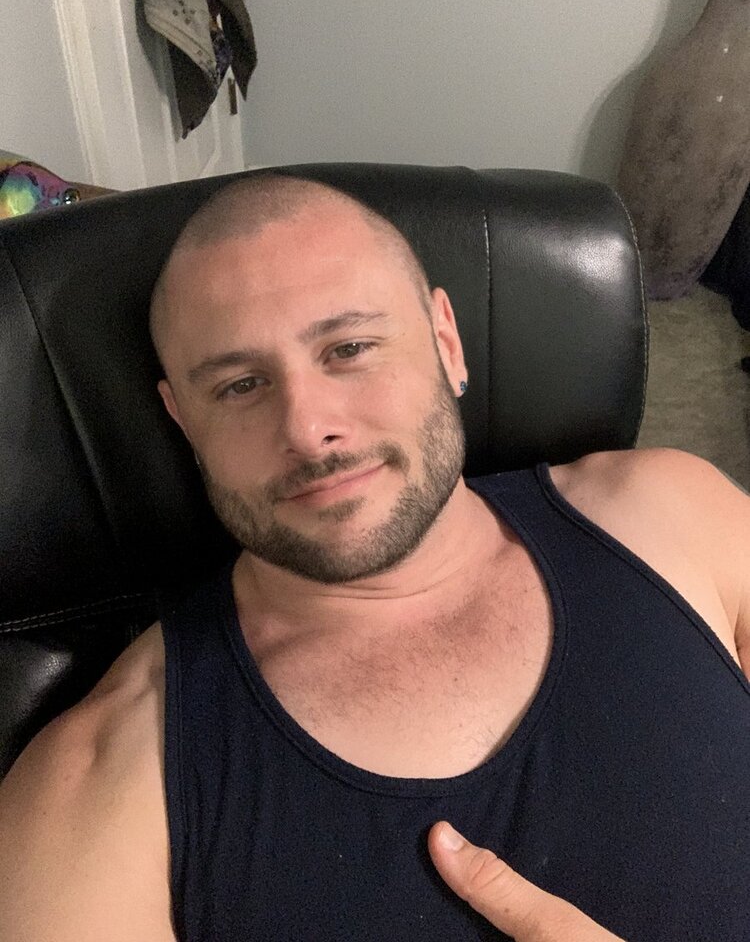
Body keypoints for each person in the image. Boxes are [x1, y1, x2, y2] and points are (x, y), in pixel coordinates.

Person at [0, 175, 748, 941]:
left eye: (349, 349)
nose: (308, 428)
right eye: (241, 385)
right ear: (184, 420)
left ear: (446, 344)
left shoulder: (673, 516)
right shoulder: (99, 788)